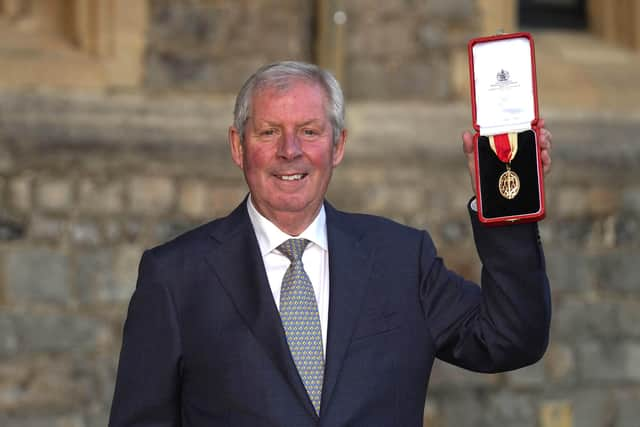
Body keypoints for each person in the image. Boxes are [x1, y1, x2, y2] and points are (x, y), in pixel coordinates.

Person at [109, 61, 552, 427]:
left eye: (309, 131)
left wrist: (506, 199)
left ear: (337, 145)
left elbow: (511, 339)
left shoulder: (400, 259)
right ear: (238, 147)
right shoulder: (175, 278)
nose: (290, 150)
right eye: (268, 132)